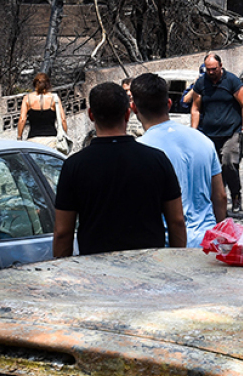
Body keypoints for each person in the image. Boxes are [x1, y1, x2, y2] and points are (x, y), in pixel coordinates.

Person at [53, 82, 185, 257]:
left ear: (91, 115)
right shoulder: (157, 160)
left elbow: (63, 232)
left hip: (95, 267)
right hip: (150, 265)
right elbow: (177, 221)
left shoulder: (74, 166)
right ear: (127, 114)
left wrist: (62, 269)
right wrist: (177, 261)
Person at [131, 72, 227, 248]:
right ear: (168, 104)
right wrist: (221, 237)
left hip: (168, 247)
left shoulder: (140, 151)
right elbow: (220, 196)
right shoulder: (203, 140)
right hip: (208, 242)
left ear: (133, 108)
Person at [190, 52, 243, 212]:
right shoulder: (201, 83)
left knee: (229, 163)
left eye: (214, 69)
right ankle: (217, 200)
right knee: (212, 169)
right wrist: (193, 132)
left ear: (221, 66)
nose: (211, 72)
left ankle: (236, 195)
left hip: (232, 131)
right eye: (208, 69)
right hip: (209, 134)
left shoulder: (232, 81)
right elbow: (195, 109)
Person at [16, 72, 67, 149]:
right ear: (48, 84)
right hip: (51, 139)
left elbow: (22, 119)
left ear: (34, 84)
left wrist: (19, 137)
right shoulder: (54, 98)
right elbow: (63, 119)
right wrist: (65, 135)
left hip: (33, 140)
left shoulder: (27, 98)